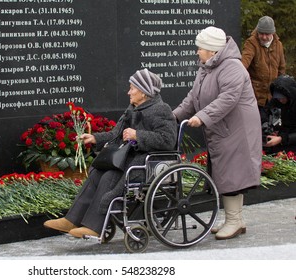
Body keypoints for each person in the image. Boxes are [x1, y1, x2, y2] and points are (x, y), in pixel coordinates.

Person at [44, 68, 177, 238]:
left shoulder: (161, 109)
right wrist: (94, 138)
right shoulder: (132, 109)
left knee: (109, 176)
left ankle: (94, 226)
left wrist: (138, 135)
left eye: (132, 88)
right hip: (128, 159)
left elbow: (168, 140)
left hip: (146, 163)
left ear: (144, 92)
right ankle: (72, 219)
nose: (129, 92)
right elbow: (115, 134)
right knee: (97, 172)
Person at [173, 26, 262, 240]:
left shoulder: (232, 67)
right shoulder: (207, 67)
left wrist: (202, 116)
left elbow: (228, 98)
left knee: (232, 173)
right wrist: (173, 116)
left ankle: (233, 220)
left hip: (237, 129)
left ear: (213, 50)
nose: (197, 51)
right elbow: (192, 98)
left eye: (200, 47)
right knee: (227, 172)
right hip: (223, 127)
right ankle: (235, 219)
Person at [241, 16, 286, 116]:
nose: (264, 37)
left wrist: (280, 92)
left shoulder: (279, 45)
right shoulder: (251, 43)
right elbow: (244, 63)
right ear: (257, 31)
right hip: (255, 97)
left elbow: (281, 69)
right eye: (261, 33)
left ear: (273, 33)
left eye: (267, 34)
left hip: (273, 97)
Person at [262, 74, 296, 154]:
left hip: (291, 139)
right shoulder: (276, 101)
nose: (280, 100)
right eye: (278, 98)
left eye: (282, 98)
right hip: (280, 135)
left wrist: (281, 139)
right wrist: (267, 125)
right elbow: (266, 112)